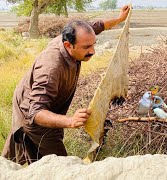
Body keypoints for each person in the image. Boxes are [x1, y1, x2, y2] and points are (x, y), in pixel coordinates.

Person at [1, 5, 130, 165]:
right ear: (68, 45)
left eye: (93, 44)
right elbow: (36, 112)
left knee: (13, 162)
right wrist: (70, 121)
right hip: (33, 113)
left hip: (40, 104)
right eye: (86, 47)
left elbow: (96, 26)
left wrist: (119, 19)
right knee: (62, 165)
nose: (93, 51)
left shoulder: (76, 36)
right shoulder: (51, 68)